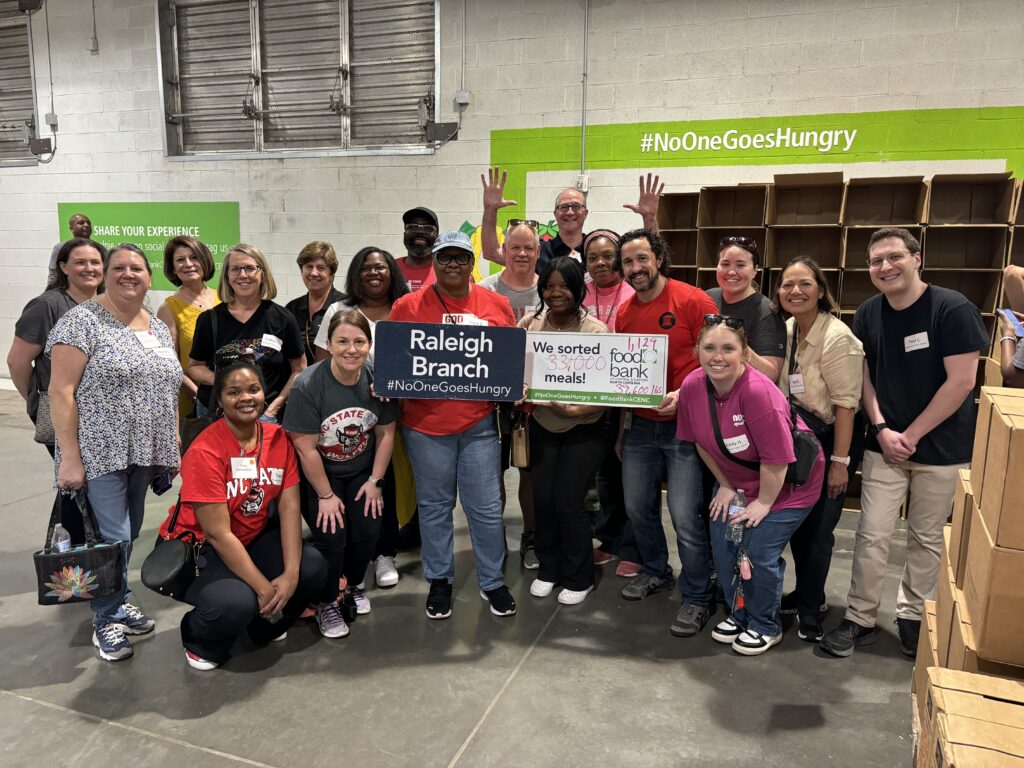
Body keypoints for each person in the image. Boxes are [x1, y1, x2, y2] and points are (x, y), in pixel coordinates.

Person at [821, 227, 988, 659]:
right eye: (876, 261)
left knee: (926, 537)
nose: (884, 267)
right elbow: (864, 378)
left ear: (917, 258)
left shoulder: (952, 309)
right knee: (871, 535)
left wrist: (910, 435)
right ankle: (860, 617)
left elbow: (963, 382)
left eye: (894, 256)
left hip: (942, 449)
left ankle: (913, 616)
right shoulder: (870, 313)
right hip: (884, 445)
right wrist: (880, 428)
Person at [47, 243, 182, 663]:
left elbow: (168, 384)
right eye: (118, 267)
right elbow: (60, 391)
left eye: (137, 268)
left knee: (130, 530)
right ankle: (105, 618)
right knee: (115, 538)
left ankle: (119, 597)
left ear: (149, 276)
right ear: (105, 274)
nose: (128, 274)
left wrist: (172, 434)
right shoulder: (82, 322)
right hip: (99, 451)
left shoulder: (156, 326)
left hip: (143, 450)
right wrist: (69, 456)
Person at [157, 360, 327, 670]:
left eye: (253, 389)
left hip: (250, 537)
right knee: (236, 602)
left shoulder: (278, 438)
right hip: (200, 548)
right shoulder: (206, 450)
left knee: (311, 566)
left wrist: (290, 573)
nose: (246, 398)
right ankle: (198, 637)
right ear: (219, 400)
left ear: (264, 393)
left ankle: (263, 627)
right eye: (234, 392)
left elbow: (289, 507)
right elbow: (217, 534)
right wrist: (264, 587)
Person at [677, 317, 825, 655]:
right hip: (738, 482)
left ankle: (764, 623)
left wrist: (763, 503)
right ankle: (740, 613)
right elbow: (701, 440)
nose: (718, 356)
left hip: (787, 487)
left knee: (757, 550)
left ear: (744, 353)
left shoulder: (758, 393)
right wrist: (726, 486)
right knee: (725, 542)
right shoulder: (692, 386)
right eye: (710, 347)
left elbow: (778, 460)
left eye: (728, 348)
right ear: (697, 351)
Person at [389, 229, 517, 620]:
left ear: (471, 263)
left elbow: (508, 360)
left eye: (461, 257)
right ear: (435, 262)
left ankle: (492, 581)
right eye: (445, 257)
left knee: (486, 507)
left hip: (478, 424)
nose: (453, 265)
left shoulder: (497, 305)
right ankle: (440, 579)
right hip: (425, 425)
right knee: (434, 506)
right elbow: (394, 362)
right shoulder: (407, 307)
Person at [613, 229, 718, 639]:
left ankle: (697, 595)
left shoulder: (694, 300)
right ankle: (656, 570)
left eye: (641, 259)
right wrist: (623, 430)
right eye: (627, 263)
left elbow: (717, 357)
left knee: (684, 516)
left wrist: (682, 392)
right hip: (639, 426)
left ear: (658, 257)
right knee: (638, 507)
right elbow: (622, 375)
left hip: (684, 428)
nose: (635, 269)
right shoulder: (624, 314)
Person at [285, 310, 398, 638]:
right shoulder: (309, 384)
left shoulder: (380, 379)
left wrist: (376, 481)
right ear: (329, 345)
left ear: (369, 344)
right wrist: (325, 496)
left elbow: (386, 433)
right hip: (322, 473)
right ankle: (327, 600)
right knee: (332, 537)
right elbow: (305, 448)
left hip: (363, 470)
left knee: (367, 531)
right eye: (343, 341)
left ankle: (351, 585)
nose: (351, 349)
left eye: (359, 341)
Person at [774, 258, 865, 642]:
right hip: (799, 440)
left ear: (821, 290)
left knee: (820, 531)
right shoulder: (789, 328)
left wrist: (840, 464)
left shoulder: (837, 337)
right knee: (799, 524)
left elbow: (847, 406)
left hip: (831, 441)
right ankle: (807, 594)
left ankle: (811, 611)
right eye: (787, 285)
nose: (795, 291)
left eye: (804, 284)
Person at [314, 246, 412, 589]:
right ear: (356, 272)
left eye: (382, 268)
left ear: (392, 273)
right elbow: (320, 363)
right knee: (349, 482)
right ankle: (347, 561)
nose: (374, 273)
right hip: (346, 414)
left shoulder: (404, 309)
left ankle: (384, 552)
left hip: (391, 411)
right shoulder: (339, 310)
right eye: (367, 268)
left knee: (384, 480)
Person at [521, 257, 609, 605]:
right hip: (542, 425)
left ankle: (579, 575)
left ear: (578, 289)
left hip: (583, 428)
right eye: (549, 286)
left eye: (563, 285)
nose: (555, 292)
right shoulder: (530, 324)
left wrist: (575, 409)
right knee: (542, 500)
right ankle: (549, 568)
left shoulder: (596, 331)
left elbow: (607, 394)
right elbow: (518, 373)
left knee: (569, 502)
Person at [9, 237, 105, 545]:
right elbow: (18, 361)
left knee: (89, 486)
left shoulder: (106, 303)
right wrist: (37, 400)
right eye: (80, 262)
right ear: (63, 267)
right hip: (64, 413)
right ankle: (75, 563)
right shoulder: (47, 306)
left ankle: (88, 553)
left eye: (95, 262)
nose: (88, 268)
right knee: (76, 481)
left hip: (101, 415)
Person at [479, 218, 540, 569]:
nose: (521, 253)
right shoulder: (485, 289)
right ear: (503, 251)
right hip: (493, 398)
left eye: (528, 247)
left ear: (538, 251)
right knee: (494, 473)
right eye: (514, 247)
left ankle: (531, 536)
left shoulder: (549, 288)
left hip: (535, 400)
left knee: (530, 472)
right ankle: (493, 538)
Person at [188, 244, 305, 423]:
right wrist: (221, 380)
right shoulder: (209, 320)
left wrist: (274, 409)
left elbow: (299, 369)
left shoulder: (282, 318)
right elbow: (194, 367)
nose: (243, 275)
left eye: (250, 268)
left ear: (262, 272)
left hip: (266, 416)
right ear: (227, 276)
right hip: (218, 416)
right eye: (235, 269)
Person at [581, 229, 640, 575]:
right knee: (604, 475)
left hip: (628, 393)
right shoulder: (580, 292)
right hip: (591, 394)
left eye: (607, 256)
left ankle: (633, 544)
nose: (600, 263)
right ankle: (609, 538)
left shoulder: (635, 290)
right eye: (593, 257)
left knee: (630, 475)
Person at [480, 167, 663, 271]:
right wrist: (490, 211)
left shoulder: (601, 251)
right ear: (555, 214)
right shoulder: (539, 252)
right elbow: (491, 252)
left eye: (576, 206)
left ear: (585, 212)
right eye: (563, 207)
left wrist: (649, 219)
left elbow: (654, 256)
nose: (569, 212)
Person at [156, 236, 220, 421]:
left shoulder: (224, 298)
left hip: (229, 396)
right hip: (193, 399)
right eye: (180, 260)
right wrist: (199, 394)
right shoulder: (168, 309)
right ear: (173, 268)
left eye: (194, 257)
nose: (188, 264)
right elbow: (170, 364)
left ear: (204, 260)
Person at [706, 236, 785, 380]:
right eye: (725, 264)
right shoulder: (707, 298)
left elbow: (771, 374)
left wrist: (738, 346)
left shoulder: (766, 311)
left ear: (755, 270)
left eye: (740, 265)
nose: (731, 272)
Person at [284, 241, 346, 366]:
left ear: (331, 274)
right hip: (298, 381)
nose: (313, 273)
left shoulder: (345, 306)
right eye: (308, 266)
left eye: (321, 268)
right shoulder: (292, 308)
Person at [395, 207, 439, 291]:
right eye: (412, 227)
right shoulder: (390, 268)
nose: (419, 232)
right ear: (404, 233)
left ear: (436, 235)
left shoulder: (446, 271)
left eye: (427, 228)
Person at [47, 213, 92, 285]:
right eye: (81, 223)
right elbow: (53, 275)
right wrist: (49, 294)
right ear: (71, 229)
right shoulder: (60, 248)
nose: (86, 225)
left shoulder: (99, 248)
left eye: (88, 223)